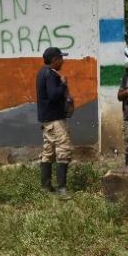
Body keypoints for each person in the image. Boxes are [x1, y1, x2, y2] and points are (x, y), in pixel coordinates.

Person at [36, 46, 74, 197]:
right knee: (63, 150)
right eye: (61, 58)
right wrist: (63, 83)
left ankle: (46, 187)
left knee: (48, 152)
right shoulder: (51, 74)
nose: (63, 61)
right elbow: (53, 95)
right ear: (55, 60)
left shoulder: (41, 73)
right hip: (55, 120)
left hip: (47, 120)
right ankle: (61, 189)